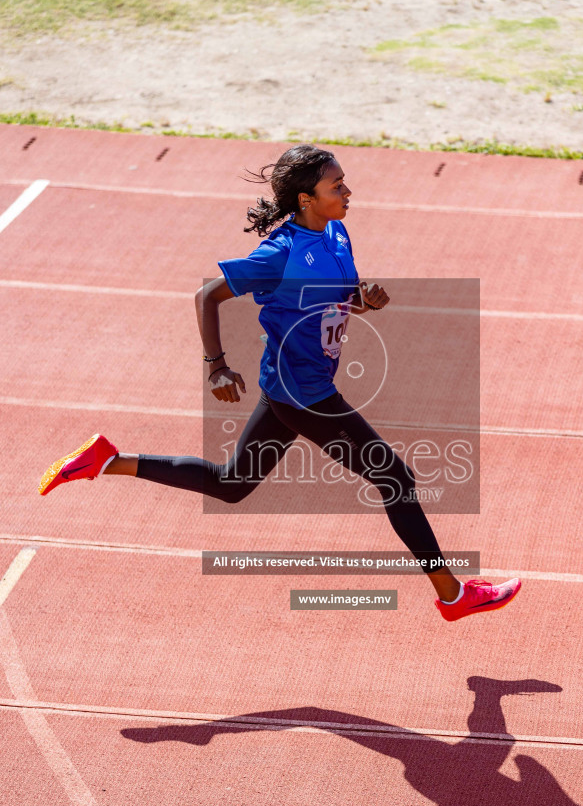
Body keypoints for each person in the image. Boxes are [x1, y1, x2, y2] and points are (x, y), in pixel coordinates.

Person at [38, 144, 521, 622]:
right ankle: (453, 596)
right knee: (393, 477)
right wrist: (217, 367)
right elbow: (207, 296)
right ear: (306, 199)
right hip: (305, 394)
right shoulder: (279, 253)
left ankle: (106, 460)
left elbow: (332, 299)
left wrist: (362, 299)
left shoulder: (337, 234)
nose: (348, 191)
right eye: (337, 185)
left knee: (232, 484)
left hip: (289, 386)